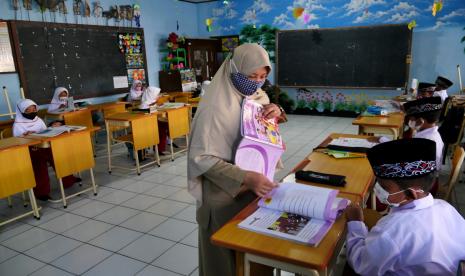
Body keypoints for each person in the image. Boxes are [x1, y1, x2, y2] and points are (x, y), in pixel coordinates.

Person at [188, 43, 283, 276]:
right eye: (252, 76)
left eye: (262, 76)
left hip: (254, 190)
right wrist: (245, 177)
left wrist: (276, 110)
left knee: (256, 257)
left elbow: (263, 124)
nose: (257, 82)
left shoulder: (257, 94)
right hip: (223, 199)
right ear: (234, 69)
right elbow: (202, 158)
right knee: (226, 264)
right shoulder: (214, 108)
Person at [345, 138, 465, 275]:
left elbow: (360, 263)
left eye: (384, 187)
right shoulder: (445, 207)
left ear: (412, 193)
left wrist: (356, 222)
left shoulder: (391, 233)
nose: (377, 189)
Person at [13, 99, 80, 201]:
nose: (32, 112)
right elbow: (17, 142)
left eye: (34, 109)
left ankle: (68, 180)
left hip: (45, 145)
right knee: (39, 166)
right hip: (31, 150)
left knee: (59, 157)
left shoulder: (38, 119)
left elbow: (45, 132)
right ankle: (41, 192)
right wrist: (25, 136)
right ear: (22, 111)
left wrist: (51, 127)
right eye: (28, 110)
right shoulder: (18, 125)